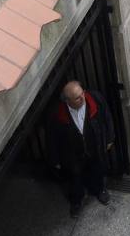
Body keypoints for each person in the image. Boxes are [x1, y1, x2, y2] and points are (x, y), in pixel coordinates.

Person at [47, 81, 114, 218]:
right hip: (73, 154)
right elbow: (52, 138)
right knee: (75, 178)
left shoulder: (95, 100)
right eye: (77, 97)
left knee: (97, 169)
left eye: (82, 93)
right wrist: (55, 159)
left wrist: (109, 138)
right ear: (67, 101)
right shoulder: (57, 114)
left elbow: (107, 118)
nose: (82, 97)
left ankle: (100, 190)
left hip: (94, 146)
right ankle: (76, 201)